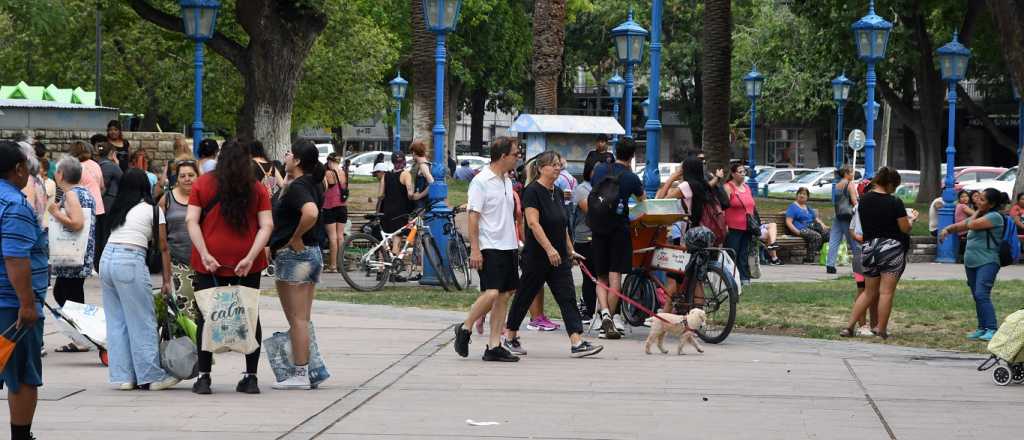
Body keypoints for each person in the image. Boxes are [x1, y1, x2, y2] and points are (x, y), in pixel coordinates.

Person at [186, 140, 273, 395]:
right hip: (248, 262)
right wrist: (250, 256)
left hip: (209, 261)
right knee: (249, 315)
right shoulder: (257, 189)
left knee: (206, 315)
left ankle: (204, 377)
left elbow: (192, 221)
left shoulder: (202, 184)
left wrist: (204, 253)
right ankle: (251, 376)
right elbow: (266, 225)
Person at [503, 151, 603, 358]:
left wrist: (570, 250)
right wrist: (549, 249)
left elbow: (562, 225)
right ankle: (510, 336)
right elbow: (533, 223)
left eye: (559, 164)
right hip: (537, 256)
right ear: (541, 168)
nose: (558, 168)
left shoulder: (557, 192)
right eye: (553, 165)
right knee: (525, 296)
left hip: (559, 257)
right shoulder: (532, 191)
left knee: (567, 297)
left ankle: (577, 342)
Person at [100, 169, 179, 391]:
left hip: (107, 260)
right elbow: (163, 247)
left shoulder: (118, 209)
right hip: (129, 260)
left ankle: (124, 377)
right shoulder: (152, 211)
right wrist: (166, 279)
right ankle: (151, 376)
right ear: (146, 187)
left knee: (117, 322)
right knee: (143, 320)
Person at [453, 137, 523, 361]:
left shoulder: (507, 180)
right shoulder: (481, 181)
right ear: (503, 156)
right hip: (489, 245)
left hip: (508, 245)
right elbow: (473, 217)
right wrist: (475, 249)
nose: (518, 157)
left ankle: (494, 345)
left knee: (504, 295)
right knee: (491, 292)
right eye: (515, 154)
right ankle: (465, 327)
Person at [269, 140, 326, 389]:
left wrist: (294, 237)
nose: (286, 155)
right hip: (310, 255)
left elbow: (311, 212)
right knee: (303, 318)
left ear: (299, 160)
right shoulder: (311, 183)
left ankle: (300, 373)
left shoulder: (299, 187)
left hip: (296, 257)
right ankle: (307, 369)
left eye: (290, 152)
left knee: (297, 319)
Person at [0, 140, 47, 440]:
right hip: (11, 305)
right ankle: (21, 436)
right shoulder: (15, 205)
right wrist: (27, 304)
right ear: (18, 169)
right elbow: (16, 257)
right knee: (22, 375)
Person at [841, 167, 917, 339]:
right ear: (889, 184)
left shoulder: (864, 201)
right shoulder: (894, 202)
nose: (894, 190)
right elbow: (904, 228)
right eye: (894, 186)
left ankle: (849, 327)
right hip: (891, 248)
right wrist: (911, 220)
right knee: (886, 292)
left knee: (868, 292)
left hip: (868, 248)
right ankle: (880, 328)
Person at [589, 137, 646, 339]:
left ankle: (603, 313)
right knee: (615, 278)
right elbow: (642, 204)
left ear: (615, 150)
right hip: (619, 231)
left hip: (598, 230)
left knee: (600, 276)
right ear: (632, 156)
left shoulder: (601, 171)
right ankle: (610, 319)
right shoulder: (631, 178)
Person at [939, 188, 1009, 342]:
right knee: (977, 296)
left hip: (988, 261)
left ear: (991, 204)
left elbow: (971, 224)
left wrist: (978, 211)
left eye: (982, 200)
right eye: (978, 198)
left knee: (981, 294)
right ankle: (982, 327)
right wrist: (947, 229)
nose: (977, 201)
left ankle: (991, 328)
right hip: (972, 262)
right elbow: (961, 225)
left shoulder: (994, 217)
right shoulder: (982, 214)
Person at [48, 158, 97, 352]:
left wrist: (55, 212)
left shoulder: (71, 195)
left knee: (70, 296)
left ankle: (82, 338)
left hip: (72, 255)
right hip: (79, 254)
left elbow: (77, 224)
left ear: (60, 174)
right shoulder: (85, 192)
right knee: (65, 292)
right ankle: (81, 335)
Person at [158, 161, 198, 271]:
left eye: (191, 175)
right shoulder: (166, 199)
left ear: (197, 176)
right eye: (182, 176)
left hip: (203, 260)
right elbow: (159, 232)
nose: (187, 179)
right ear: (177, 179)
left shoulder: (205, 198)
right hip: (176, 261)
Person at [572, 158, 598, 326]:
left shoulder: (602, 188)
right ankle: (588, 310)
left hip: (599, 236)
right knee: (589, 277)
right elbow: (591, 211)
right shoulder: (582, 189)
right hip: (584, 237)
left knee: (599, 276)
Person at [723, 163, 755, 285]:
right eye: (740, 172)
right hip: (733, 226)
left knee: (744, 253)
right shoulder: (728, 187)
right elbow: (723, 207)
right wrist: (724, 224)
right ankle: (730, 277)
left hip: (747, 226)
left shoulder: (747, 187)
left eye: (744, 172)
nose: (743, 174)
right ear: (733, 174)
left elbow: (752, 205)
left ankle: (744, 277)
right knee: (733, 252)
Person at [376, 155, 414, 258]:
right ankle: (393, 267)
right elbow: (410, 194)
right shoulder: (406, 174)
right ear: (404, 162)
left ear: (392, 162)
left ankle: (381, 268)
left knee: (385, 240)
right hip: (400, 212)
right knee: (397, 238)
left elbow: (380, 195)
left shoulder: (386, 175)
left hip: (386, 211)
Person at [827, 167, 860, 274]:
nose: (853, 175)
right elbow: (854, 201)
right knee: (853, 241)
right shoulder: (850, 184)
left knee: (834, 240)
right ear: (846, 173)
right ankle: (859, 264)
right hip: (848, 216)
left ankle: (830, 265)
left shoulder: (837, 185)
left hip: (838, 215)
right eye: (852, 173)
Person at [785, 187, 829, 264]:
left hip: (811, 227)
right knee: (816, 236)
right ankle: (809, 258)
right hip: (800, 229)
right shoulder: (793, 207)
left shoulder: (807, 207)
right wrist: (796, 231)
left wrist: (823, 225)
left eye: (804, 194)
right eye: (800, 193)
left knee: (828, 233)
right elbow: (788, 222)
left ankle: (818, 253)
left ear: (807, 197)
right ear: (797, 195)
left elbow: (815, 218)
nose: (802, 195)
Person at [322, 153, 347, 273]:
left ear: (329, 161)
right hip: (342, 207)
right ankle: (341, 264)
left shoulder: (328, 173)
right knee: (340, 236)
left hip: (329, 207)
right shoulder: (343, 173)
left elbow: (324, 188)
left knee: (332, 237)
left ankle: (333, 266)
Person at [409, 140, 434, 210]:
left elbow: (432, 183)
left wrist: (419, 196)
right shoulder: (427, 164)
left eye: (411, 153)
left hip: (422, 205)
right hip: (423, 203)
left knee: (419, 221)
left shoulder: (423, 165)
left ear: (414, 152)